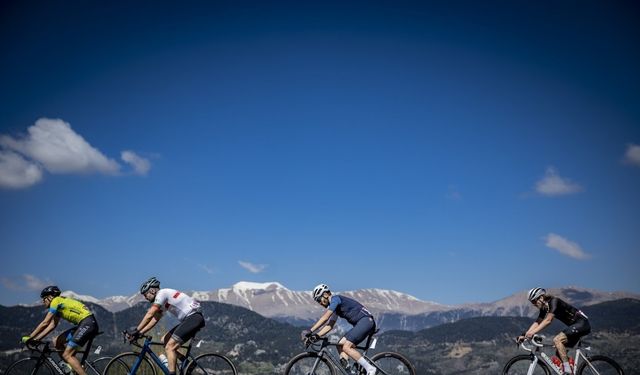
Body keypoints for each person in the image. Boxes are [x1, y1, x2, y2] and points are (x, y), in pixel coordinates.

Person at [126, 277, 205, 375]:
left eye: (146, 294)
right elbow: (154, 319)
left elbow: (150, 314)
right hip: (190, 319)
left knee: (169, 347)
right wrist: (140, 333)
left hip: (193, 318)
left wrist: (136, 330)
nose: (145, 298)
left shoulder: (161, 294)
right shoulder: (163, 301)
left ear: (152, 290)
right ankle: (187, 362)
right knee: (165, 340)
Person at [22, 286, 100, 375]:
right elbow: (52, 325)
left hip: (87, 324)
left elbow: (45, 322)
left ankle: (75, 367)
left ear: (50, 297)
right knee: (56, 341)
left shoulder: (56, 301)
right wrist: (37, 339)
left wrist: (30, 337)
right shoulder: (60, 304)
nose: (43, 301)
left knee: (67, 355)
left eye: (44, 299)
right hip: (86, 324)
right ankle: (73, 368)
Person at [304, 283, 377, 375]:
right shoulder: (335, 306)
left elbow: (325, 318)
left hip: (366, 321)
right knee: (339, 345)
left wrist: (310, 331)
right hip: (363, 323)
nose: (320, 303)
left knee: (346, 347)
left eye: (319, 299)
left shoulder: (335, 299)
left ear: (326, 294)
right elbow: (330, 325)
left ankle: (370, 369)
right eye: (318, 302)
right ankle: (350, 372)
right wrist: (316, 335)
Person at [518, 287, 591, 375]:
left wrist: (532, 333)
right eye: (532, 302)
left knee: (557, 340)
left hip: (582, 324)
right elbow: (537, 322)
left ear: (541, 298)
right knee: (559, 352)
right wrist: (525, 334)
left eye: (534, 301)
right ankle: (570, 367)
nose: (534, 304)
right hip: (575, 327)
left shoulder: (554, 301)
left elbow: (548, 320)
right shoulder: (544, 308)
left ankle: (567, 371)